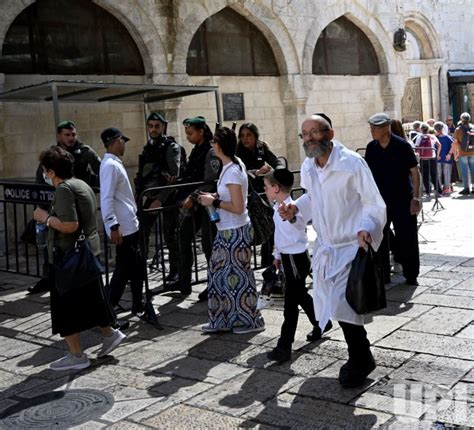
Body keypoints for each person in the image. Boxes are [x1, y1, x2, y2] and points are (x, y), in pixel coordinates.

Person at [279, 114, 386, 388]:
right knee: (336, 306)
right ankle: (361, 356)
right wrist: (296, 208)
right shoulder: (308, 166)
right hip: (326, 247)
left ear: (330, 133)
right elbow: (313, 199)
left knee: (343, 304)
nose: (310, 138)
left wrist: (367, 228)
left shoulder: (351, 163)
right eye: (305, 134)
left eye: (315, 132)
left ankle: (360, 358)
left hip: (351, 246)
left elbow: (373, 203)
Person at [32, 146, 124, 371]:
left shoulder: (64, 189)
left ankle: (76, 355)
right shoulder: (80, 183)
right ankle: (109, 334)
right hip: (86, 253)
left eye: (46, 170)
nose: (44, 174)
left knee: (64, 306)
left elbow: (70, 225)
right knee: (92, 299)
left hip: (68, 256)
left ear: (51, 172)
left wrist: (45, 218)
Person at [198, 127, 265, 334]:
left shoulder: (234, 170)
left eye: (213, 143)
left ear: (218, 146)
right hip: (227, 230)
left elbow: (237, 207)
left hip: (235, 231)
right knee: (218, 275)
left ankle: (250, 321)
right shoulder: (232, 166)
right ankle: (221, 320)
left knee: (239, 279)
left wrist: (214, 201)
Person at [263, 168, 332, 363]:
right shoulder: (278, 208)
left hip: (296, 259)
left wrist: (291, 217)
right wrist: (277, 255)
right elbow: (281, 235)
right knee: (299, 295)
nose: (265, 191)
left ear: (276, 188)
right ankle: (321, 322)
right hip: (288, 258)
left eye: (267, 187)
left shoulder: (291, 207)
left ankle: (284, 346)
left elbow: (297, 224)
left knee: (290, 305)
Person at [28, 120, 102, 295]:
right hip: (56, 204)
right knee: (51, 243)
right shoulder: (52, 155)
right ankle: (50, 278)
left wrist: (92, 190)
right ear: (59, 136)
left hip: (75, 205)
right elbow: (40, 178)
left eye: (73, 134)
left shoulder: (85, 152)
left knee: (75, 245)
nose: (71, 138)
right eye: (67, 135)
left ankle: (76, 278)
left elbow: (101, 172)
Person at [166, 117, 221, 297]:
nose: (188, 137)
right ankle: (184, 283)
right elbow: (192, 176)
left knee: (208, 245)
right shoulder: (196, 150)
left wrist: (192, 196)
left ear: (201, 132)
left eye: (191, 133)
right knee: (183, 238)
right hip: (194, 204)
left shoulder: (211, 151)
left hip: (208, 204)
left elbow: (209, 182)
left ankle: (214, 284)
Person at [365, 113, 422, 286]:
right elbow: (367, 175)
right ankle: (383, 275)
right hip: (380, 201)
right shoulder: (371, 148)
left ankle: (411, 274)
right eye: (371, 127)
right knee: (379, 237)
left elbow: (415, 172)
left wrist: (416, 198)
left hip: (403, 198)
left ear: (386, 128)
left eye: (375, 127)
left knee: (407, 236)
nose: (372, 131)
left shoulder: (402, 146)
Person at [134, 112, 185, 280]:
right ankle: (140, 270)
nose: (153, 129)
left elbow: (174, 177)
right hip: (149, 196)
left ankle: (176, 272)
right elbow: (143, 175)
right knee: (141, 234)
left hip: (167, 197)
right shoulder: (148, 148)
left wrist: (159, 200)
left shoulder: (171, 148)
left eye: (157, 126)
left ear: (164, 127)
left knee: (171, 236)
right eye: (151, 126)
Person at [100, 127, 144, 315]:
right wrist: (113, 224)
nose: (124, 144)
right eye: (122, 141)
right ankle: (107, 312)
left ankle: (137, 303)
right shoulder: (110, 165)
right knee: (123, 270)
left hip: (129, 223)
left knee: (136, 266)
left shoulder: (113, 163)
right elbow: (106, 197)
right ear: (117, 140)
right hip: (123, 226)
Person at [236, 122, 285, 266]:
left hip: (262, 193)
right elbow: (236, 171)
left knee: (270, 223)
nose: (246, 139)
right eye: (243, 136)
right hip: (245, 194)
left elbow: (276, 161)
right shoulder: (237, 151)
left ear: (255, 136)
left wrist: (278, 171)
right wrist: (255, 173)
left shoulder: (261, 148)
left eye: (249, 135)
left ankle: (267, 260)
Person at [414, 123, 442, 196]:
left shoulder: (419, 137)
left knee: (425, 175)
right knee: (434, 174)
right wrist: (438, 154)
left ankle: (428, 191)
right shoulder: (432, 136)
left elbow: (416, 148)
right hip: (432, 157)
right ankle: (438, 191)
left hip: (423, 158)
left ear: (421, 129)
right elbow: (439, 145)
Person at [453, 112, 474, 195]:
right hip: (473, 152)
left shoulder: (458, 129)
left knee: (465, 171)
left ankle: (466, 188)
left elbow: (455, 142)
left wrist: (455, 154)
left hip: (463, 152)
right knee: (473, 170)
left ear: (461, 119)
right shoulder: (473, 128)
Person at [434, 121, 455, 195]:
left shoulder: (445, 137)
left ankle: (442, 188)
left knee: (440, 174)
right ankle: (445, 188)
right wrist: (449, 154)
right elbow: (453, 145)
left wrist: (449, 154)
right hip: (443, 158)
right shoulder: (445, 137)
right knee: (445, 173)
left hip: (441, 158)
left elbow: (453, 145)